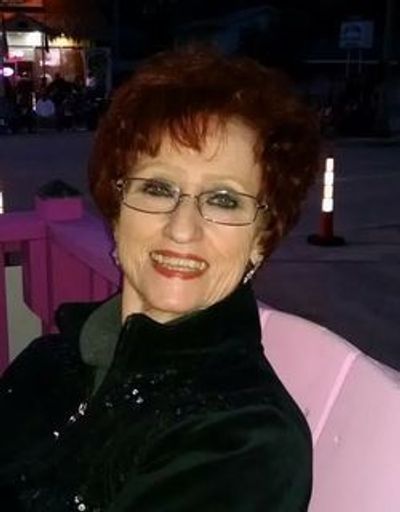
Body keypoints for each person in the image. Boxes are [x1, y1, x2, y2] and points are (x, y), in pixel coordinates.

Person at [0, 46, 320, 511]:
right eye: (157, 188)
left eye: (224, 200)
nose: (182, 229)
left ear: (261, 238)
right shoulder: (51, 362)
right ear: (117, 213)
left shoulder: (245, 442)